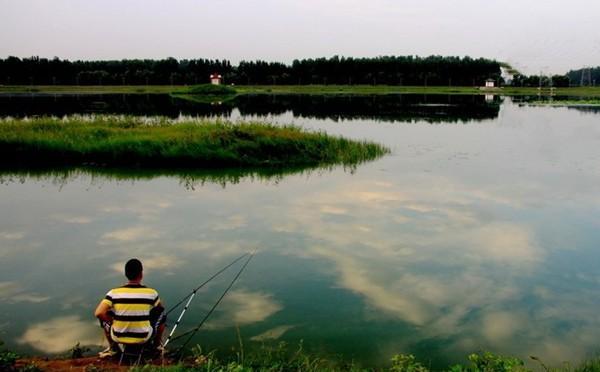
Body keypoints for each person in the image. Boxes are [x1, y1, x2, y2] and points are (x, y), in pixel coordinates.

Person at [94, 258, 166, 358]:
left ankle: (113, 348)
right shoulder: (151, 293)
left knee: (106, 314)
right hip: (144, 337)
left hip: (117, 336)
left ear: (126, 274)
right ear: (141, 274)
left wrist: (111, 321)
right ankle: (156, 346)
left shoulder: (113, 293)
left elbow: (99, 313)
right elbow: (160, 308)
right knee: (161, 313)